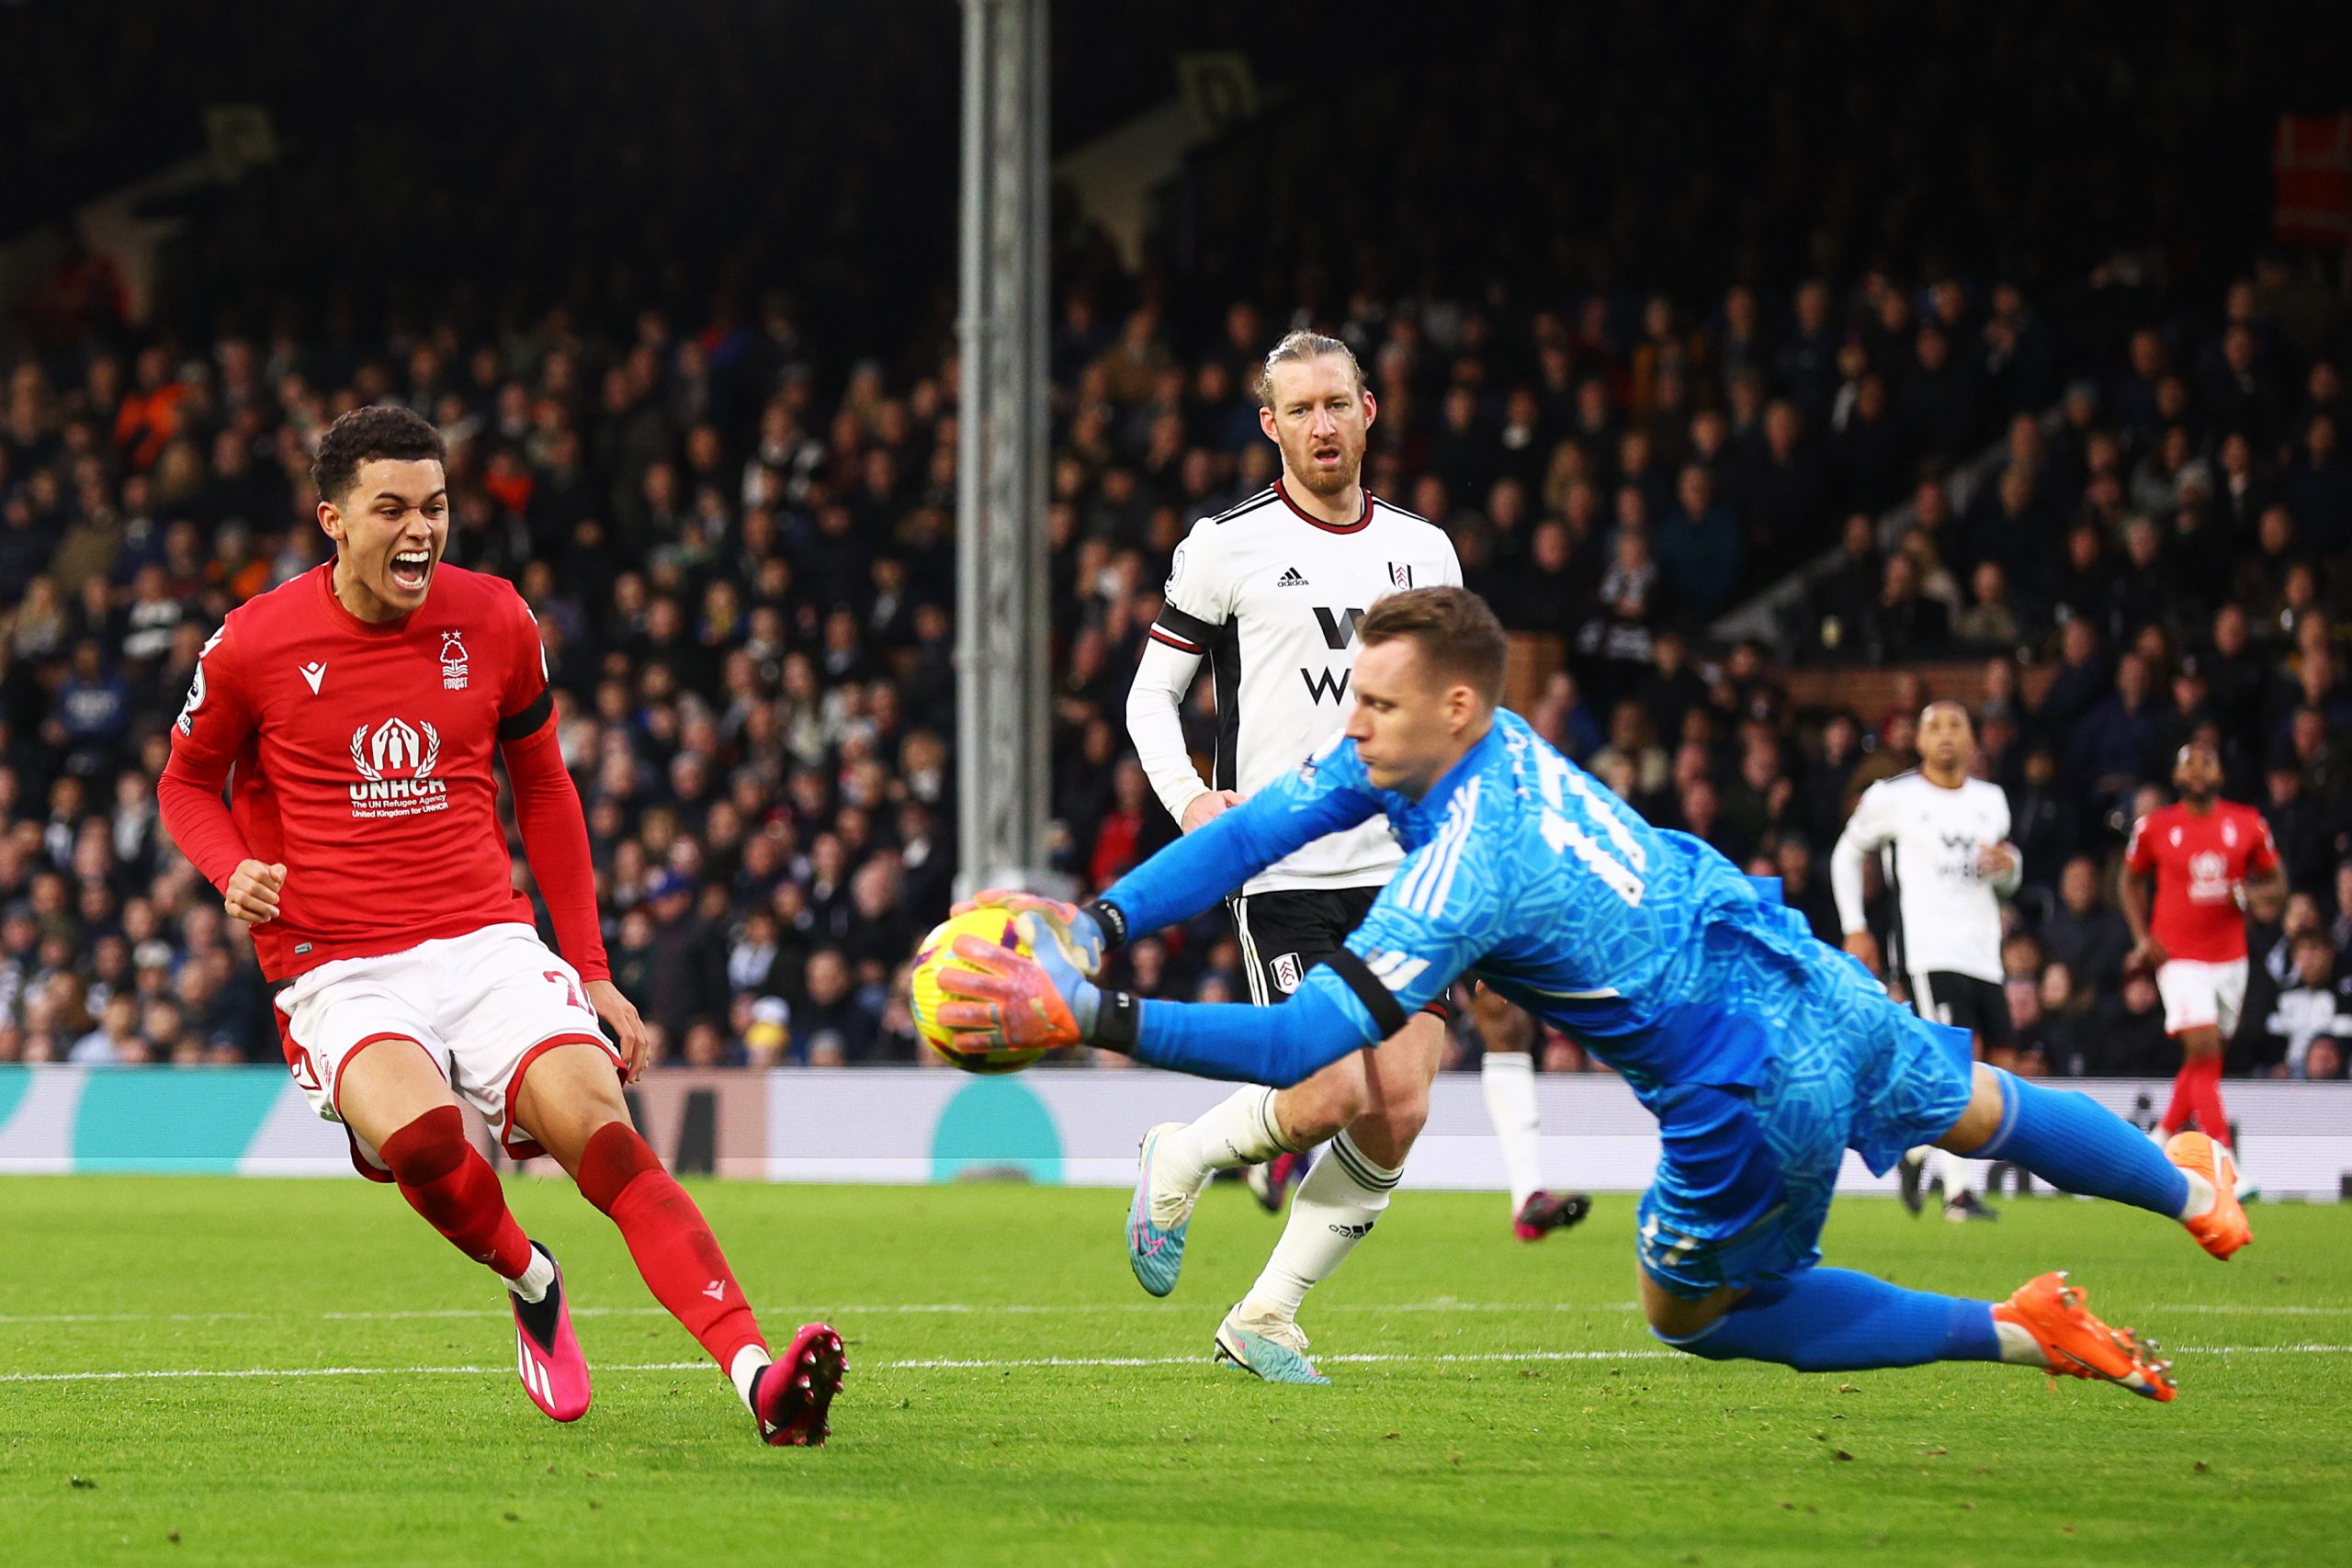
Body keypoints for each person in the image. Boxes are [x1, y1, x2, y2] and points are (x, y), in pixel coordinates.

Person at [941, 587, 2247, 1399]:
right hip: (1799, 970)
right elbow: (1248, 831)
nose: (1353, 727)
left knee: (1695, 1310)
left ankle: (2018, 1328)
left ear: (1450, 705)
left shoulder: (1467, 867)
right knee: (1985, 1105)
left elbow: (1300, 1036)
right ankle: (2196, 1188)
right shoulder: (1474, 740)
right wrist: (1103, 918)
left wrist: (1095, 1017)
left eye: (1375, 706)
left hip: (1745, 1084)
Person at [154, 406, 843, 1446]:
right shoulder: (253, 642)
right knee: (428, 1137)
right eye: (392, 510)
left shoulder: (498, 621)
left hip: (486, 944)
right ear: (332, 520)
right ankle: (532, 1279)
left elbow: (548, 792)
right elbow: (185, 783)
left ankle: (756, 1377)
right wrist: (231, 867)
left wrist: (594, 971)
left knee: (607, 1139)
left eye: (435, 506)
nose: (421, 530)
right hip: (338, 964)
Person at [1120, 331, 1586, 1384]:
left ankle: (1267, 1315)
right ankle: (1181, 1153)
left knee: (1402, 1103)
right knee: (1329, 1092)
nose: (1322, 426)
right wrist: (1192, 801)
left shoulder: (1427, 552)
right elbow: (1151, 695)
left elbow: (1461, 717)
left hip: (1409, 871)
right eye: (1301, 410)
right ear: (1269, 425)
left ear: (1369, 410)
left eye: (1338, 404)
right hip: (1286, 868)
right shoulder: (1224, 544)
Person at [1829, 701, 2021, 1222]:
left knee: (1999, 1062)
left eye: (1956, 725)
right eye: (1934, 726)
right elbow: (1846, 853)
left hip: (1983, 951)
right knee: (1954, 1066)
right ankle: (1958, 1193)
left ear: (1972, 739)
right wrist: (1855, 926)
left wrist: (2010, 867)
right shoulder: (1893, 798)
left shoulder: (1990, 800)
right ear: (1917, 740)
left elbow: (2006, 875)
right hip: (1928, 951)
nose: (1945, 735)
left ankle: (1914, 1151)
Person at [2119, 742, 2283, 1198]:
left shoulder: (2248, 823)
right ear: (2175, 773)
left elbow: (2277, 885)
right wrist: (2141, 937)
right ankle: (2224, 1164)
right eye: (2188, 762)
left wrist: (2251, 896)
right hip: (2177, 956)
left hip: (2230, 956)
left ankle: (2160, 1139)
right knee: (2205, 1047)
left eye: (2206, 762)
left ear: (2220, 773)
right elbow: (2128, 879)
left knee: (2204, 1060)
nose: (2197, 770)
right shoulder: (2155, 827)